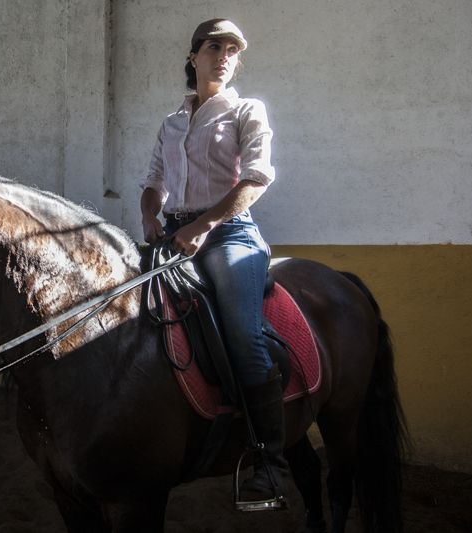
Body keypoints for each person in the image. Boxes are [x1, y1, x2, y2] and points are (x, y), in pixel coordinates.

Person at [139, 18, 288, 510]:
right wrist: (148, 214)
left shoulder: (247, 110)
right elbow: (154, 179)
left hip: (229, 234)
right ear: (193, 55)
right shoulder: (172, 121)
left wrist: (203, 226)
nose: (223, 56)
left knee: (243, 334)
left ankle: (269, 460)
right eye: (214, 47)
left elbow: (257, 178)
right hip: (174, 232)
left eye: (232, 50)